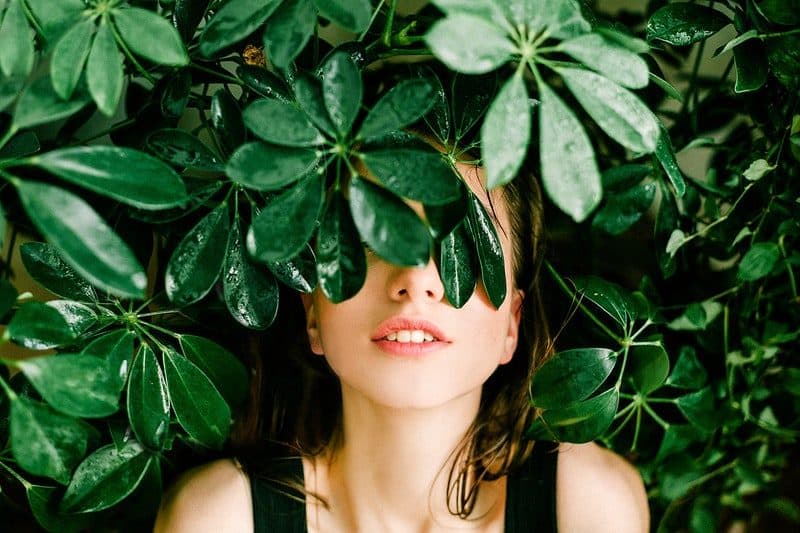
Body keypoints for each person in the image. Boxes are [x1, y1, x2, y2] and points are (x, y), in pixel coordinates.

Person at [153, 130, 649, 532]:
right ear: (313, 312)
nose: (415, 281)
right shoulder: (219, 518)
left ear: (511, 326)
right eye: (374, 236)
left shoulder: (585, 507)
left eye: (464, 249)